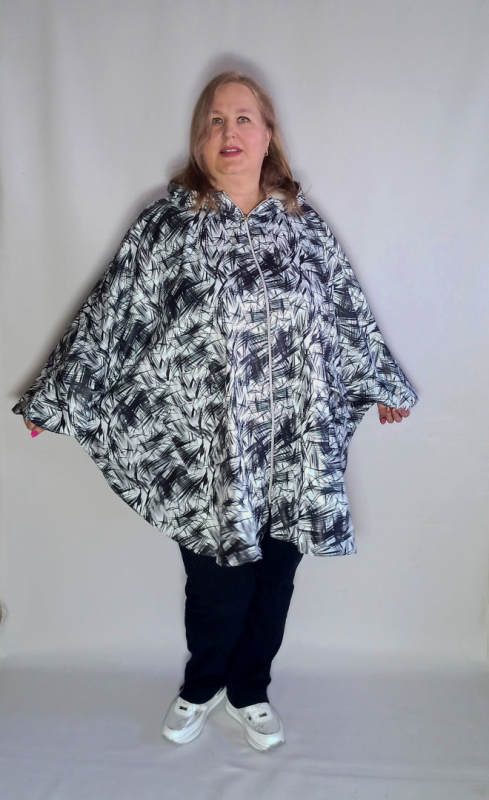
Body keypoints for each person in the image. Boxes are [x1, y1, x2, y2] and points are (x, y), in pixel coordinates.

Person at [14, 71, 417, 751]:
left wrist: (381, 385)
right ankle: (202, 686)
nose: (229, 132)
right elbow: (114, 314)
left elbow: (345, 313)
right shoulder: (168, 225)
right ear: (201, 141)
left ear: (267, 135)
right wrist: (59, 395)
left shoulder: (304, 227)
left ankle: (250, 690)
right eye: (215, 121)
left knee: (275, 578)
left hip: (294, 447)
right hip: (211, 451)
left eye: (243, 119)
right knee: (216, 586)